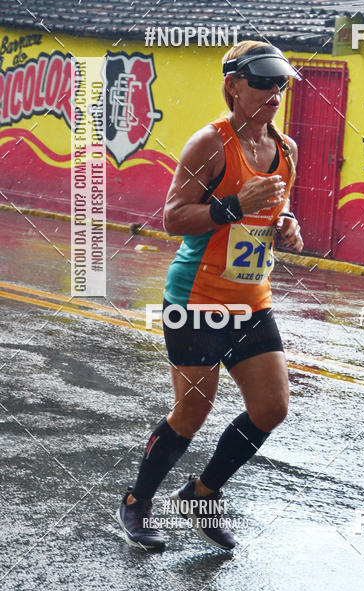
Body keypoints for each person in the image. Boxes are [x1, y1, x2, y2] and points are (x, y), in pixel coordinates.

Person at [116, 41, 303, 552]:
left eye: (280, 83)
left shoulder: (285, 149)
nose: (273, 92)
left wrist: (288, 227)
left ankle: (201, 493)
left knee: (271, 408)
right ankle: (137, 501)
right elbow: (174, 218)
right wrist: (231, 206)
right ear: (233, 86)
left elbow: (274, 212)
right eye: (262, 82)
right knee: (191, 414)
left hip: (251, 303)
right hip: (197, 300)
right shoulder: (210, 145)